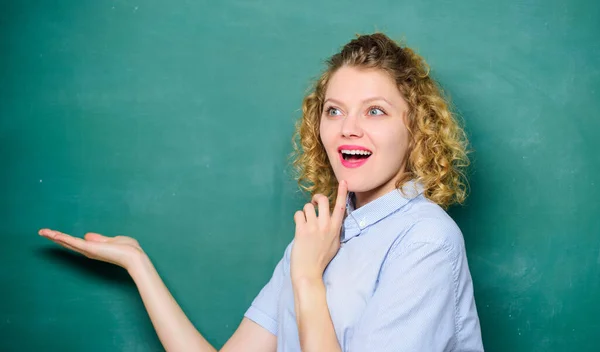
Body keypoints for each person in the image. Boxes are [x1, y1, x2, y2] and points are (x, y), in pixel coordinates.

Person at [39, 33, 483, 351]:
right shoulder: (320, 236)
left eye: (375, 111)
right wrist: (138, 264)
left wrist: (308, 278)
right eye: (334, 110)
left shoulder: (426, 241)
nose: (349, 128)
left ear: (416, 130)